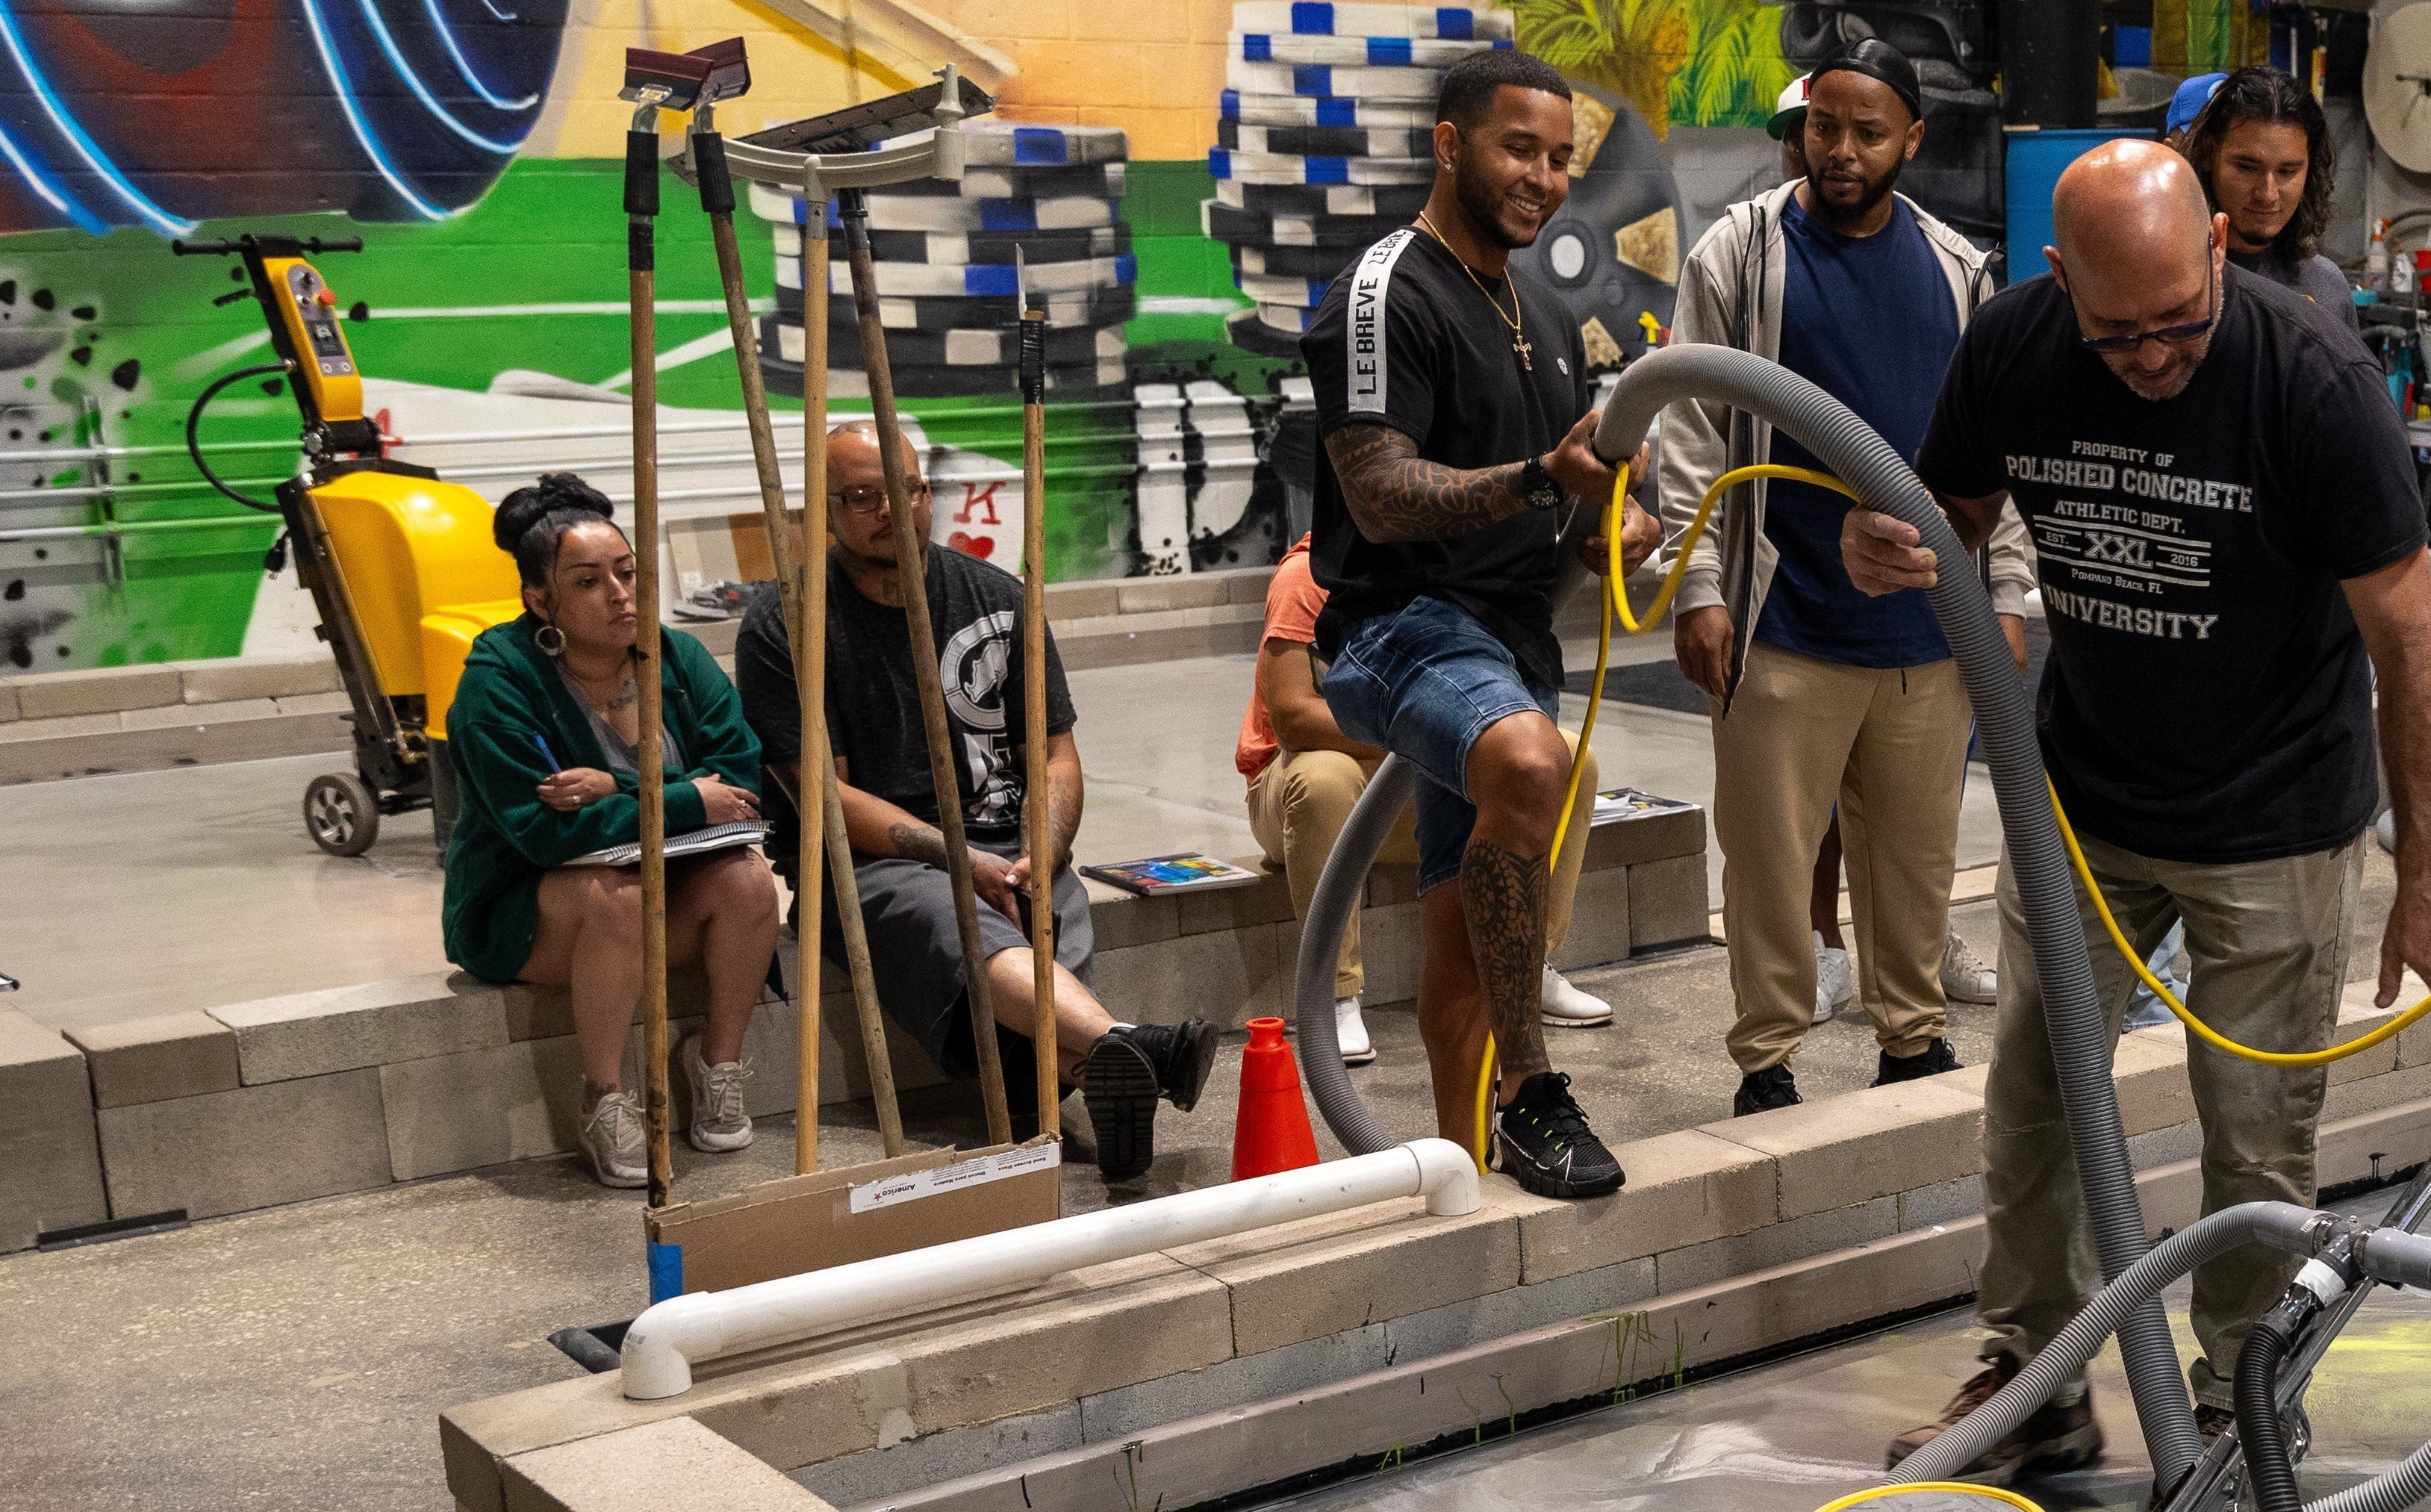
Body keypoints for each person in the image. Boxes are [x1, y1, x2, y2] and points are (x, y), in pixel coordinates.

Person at [1851, 139, 2431, 1478]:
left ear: (2217, 247)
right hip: (2089, 800)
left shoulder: (2312, 380)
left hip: (2274, 814)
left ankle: (2235, 1404)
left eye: (2178, 322)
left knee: (2256, 1138)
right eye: (2119, 333)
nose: (2152, 356)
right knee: (2035, 1096)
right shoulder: (2018, 344)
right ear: (2060, 278)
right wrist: (1888, 543)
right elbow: (1949, 517)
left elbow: (2414, 649)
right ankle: (2035, 1380)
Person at [1649, 39, 2038, 1117]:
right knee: (1771, 865)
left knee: (1915, 860)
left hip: (1929, 634)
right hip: (1785, 623)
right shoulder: (1741, 253)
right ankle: (1766, 1059)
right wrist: (1699, 588)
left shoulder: (1960, 272)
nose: (1843, 151)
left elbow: (1995, 451)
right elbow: (1689, 427)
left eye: (1870, 133)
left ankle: (1912, 1040)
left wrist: (2006, 593)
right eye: (1826, 127)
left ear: (1913, 140)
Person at [1307, 45, 1657, 1199]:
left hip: (1510, 642)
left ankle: (1460, 1170)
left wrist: (1612, 524)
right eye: (1518, 149)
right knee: (1529, 761)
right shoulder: (1385, 293)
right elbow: (1378, 493)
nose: (1544, 178)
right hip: (1396, 629)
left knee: (1464, 929)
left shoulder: (1539, 309)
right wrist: (1543, 479)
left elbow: (1562, 503)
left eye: (1560, 158)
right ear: (1450, 145)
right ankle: (1533, 1091)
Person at [735, 420, 1222, 1185]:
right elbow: (823, 796)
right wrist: (957, 859)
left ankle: (1104, 1067)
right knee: (952, 918)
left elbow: (1054, 754)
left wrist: (1042, 850)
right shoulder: (788, 623)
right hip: (873, 863)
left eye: (909, 488)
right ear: (821, 511)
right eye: (863, 496)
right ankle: (1135, 1048)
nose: (893, 509)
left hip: (1006, 843)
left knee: (1047, 920)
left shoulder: (997, 597)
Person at [441, 473, 782, 1191]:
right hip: (525, 912)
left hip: (664, 891)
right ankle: (604, 1097)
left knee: (749, 880)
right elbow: (544, 832)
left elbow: (739, 781)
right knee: (618, 894)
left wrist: (618, 788)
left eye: (628, 573)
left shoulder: (677, 657)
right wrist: (686, 799)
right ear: (541, 601)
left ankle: (718, 1066)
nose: (622, 594)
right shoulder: (497, 683)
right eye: (589, 582)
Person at [1238, 541, 1608, 1067]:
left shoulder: (1450, 564)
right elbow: (1294, 718)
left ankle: (1530, 968)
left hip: (1409, 779)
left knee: (1566, 758)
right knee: (1324, 778)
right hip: (1298, 786)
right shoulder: (1306, 575)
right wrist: (1426, 730)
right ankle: (1334, 994)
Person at [2176, 67, 2360, 333]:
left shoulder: (2327, 288)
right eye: (2247, 168)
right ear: (2208, 154)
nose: (2267, 194)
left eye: (2287, 172)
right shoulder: (2169, 281)